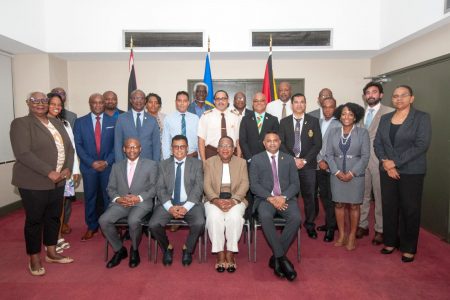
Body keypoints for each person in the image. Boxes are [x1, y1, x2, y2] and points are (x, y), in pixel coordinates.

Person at [10, 92, 75, 276]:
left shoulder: (56, 122)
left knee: (53, 217)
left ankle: (52, 252)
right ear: (27, 103)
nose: (40, 104)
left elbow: (69, 148)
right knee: (34, 220)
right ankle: (34, 257)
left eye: (43, 101)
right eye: (35, 100)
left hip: (58, 181)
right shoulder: (21, 124)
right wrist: (49, 172)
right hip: (33, 181)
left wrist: (68, 168)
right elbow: (23, 153)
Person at [374, 85, 431, 263]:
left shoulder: (421, 118)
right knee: (389, 207)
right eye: (396, 96)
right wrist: (386, 163)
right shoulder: (385, 118)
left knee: (410, 209)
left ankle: (408, 247)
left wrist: (395, 162)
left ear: (411, 98)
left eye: (403, 95)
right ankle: (390, 242)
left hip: (411, 171)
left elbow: (421, 145)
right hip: (387, 171)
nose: (399, 99)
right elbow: (378, 144)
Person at [250, 131, 301, 281]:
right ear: (264, 143)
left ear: (280, 142)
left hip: (286, 199)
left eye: (275, 140)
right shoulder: (256, 159)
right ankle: (281, 258)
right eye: (269, 141)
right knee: (265, 217)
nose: (272, 143)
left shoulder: (289, 159)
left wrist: (283, 197)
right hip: (265, 199)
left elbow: (295, 184)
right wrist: (271, 198)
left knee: (296, 218)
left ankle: (276, 258)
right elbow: (254, 186)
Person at [99, 138, 158, 268]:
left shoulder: (151, 165)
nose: (132, 150)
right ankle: (119, 250)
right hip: (122, 203)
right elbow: (110, 188)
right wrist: (118, 199)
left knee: (133, 221)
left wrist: (138, 198)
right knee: (103, 220)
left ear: (140, 149)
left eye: (135, 147)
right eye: (129, 147)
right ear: (124, 149)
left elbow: (154, 188)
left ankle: (135, 250)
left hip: (141, 203)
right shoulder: (116, 166)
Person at [149, 135, 204, 266]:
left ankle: (188, 249)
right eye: (176, 147)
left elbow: (198, 187)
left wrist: (186, 207)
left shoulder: (197, 164)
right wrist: (170, 207)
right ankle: (167, 247)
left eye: (182, 147)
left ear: (187, 148)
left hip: (190, 203)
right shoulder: (163, 165)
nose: (179, 150)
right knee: (153, 224)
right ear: (171, 149)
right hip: (169, 202)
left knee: (200, 223)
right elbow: (160, 188)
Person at [325, 103, 370, 251]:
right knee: (338, 204)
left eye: (350, 114)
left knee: (354, 205)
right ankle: (342, 235)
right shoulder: (333, 132)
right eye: (344, 114)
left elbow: (365, 157)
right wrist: (336, 172)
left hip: (356, 175)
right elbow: (329, 154)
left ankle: (351, 236)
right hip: (336, 174)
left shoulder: (363, 133)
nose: (346, 117)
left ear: (355, 116)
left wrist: (352, 173)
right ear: (339, 115)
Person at [279, 93, 322, 239]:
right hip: (289, 166)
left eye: (302, 102)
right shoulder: (283, 122)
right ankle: (288, 222)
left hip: (308, 165)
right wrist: (293, 160)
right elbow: (281, 143)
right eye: (296, 102)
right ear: (292, 105)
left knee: (309, 196)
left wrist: (303, 160)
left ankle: (310, 224)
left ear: (305, 104)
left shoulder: (313, 121)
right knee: (289, 195)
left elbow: (317, 144)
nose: (299, 104)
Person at [203, 136, 249, 273]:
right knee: (214, 218)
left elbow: (245, 183)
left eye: (229, 146)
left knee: (235, 218)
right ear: (217, 149)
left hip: (236, 199)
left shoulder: (241, 162)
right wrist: (215, 200)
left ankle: (230, 252)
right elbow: (206, 185)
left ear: (234, 149)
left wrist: (234, 200)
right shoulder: (209, 162)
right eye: (222, 146)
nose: (225, 149)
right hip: (213, 199)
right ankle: (219, 253)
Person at [74, 93, 116, 241]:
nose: (98, 105)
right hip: (89, 167)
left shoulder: (114, 121)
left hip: (107, 167)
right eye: (94, 102)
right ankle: (91, 226)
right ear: (90, 104)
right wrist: (91, 162)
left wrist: (106, 162)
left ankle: (107, 226)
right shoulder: (80, 122)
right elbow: (78, 145)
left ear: (104, 104)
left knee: (108, 198)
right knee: (90, 197)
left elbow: (116, 146)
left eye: (100, 102)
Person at [357, 82, 394, 245]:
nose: (371, 95)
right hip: (361, 160)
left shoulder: (390, 112)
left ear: (381, 95)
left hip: (379, 160)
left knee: (379, 196)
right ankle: (362, 225)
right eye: (368, 93)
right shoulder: (360, 113)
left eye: (374, 92)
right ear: (364, 96)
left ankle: (380, 229)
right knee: (362, 194)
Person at [47, 92, 81, 252]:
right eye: (52, 104)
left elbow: (71, 148)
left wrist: (75, 170)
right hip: (45, 173)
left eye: (59, 105)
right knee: (46, 207)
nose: (56, 107)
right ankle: (49, 239)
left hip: (64, 173)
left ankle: (57, 235)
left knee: (59, 206)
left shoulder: (65, 124)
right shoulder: (41, 123)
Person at [315, 97, 341, 242]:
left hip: (332, 167)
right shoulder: (317, 122)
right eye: (325, 107)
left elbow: (337, 147)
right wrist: (319, 160)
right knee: (324, 196)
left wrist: (327, 161)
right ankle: (330, 223)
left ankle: (331, 228)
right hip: (319, 165)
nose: (328, 109)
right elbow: (315, 143)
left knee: (332, 198)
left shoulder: (339, 124)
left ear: (335, 108)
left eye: (331, 107)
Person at [115, 89, 161, 161]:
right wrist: (119, 165)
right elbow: (117, 144)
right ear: (130, 100)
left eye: (142, 98)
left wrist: (155, 165)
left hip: (148, 164)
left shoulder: (152, 120)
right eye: (135, 98)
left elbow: (156, 145)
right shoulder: (121, 118)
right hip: (127, 164)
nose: (139, 101)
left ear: (145, 101)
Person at [198, 90, 241, 160]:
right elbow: (201, 140)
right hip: (212, 153)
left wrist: (238, 159)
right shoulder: (206, 116)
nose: (221, 101)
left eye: (223, 98)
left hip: (232, 154)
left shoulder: (236, 116)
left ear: (228, 100)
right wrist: (203, 161)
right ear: (214, 101)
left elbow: (238, 140)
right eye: (218, 99)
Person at [162, 91, 199, 160]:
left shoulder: (195, 118)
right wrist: (166, 160)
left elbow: (199, 140)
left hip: (192, 157)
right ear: (176, 102)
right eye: (179, 101)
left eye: (185, 101)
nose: (182, 103)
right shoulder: (168, 118)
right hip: (174, 157)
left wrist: (200, 159)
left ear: (188, 103)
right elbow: (165, 141)